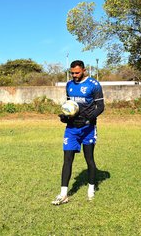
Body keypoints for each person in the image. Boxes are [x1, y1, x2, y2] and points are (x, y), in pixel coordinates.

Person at [52, 60, 105, 205]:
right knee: (67, 159)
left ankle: (91, 188)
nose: (74, 76)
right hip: (71, 129)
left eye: (77, 73)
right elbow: (70, 106)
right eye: (72, 73)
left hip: (88, 128)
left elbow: (100, 107)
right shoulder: (69, 85)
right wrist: (65, 117)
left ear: (84, 70)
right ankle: (63, 194)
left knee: (89, 159)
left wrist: (88, 119)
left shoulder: (93, 85)